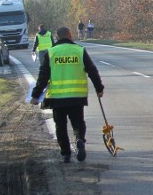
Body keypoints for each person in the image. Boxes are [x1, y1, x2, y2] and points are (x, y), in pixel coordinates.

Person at [30, 26, 104, 163]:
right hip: (77, 96)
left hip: (58, 98)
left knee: (60, 125)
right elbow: (92, 70)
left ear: (57, 37)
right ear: (70, 35)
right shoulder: (79, 51)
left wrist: (35, 95)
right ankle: (79, 139)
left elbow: (43, 76)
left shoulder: (51, 53)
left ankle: (65, 153)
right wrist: (99, 88)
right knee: (78, 122)